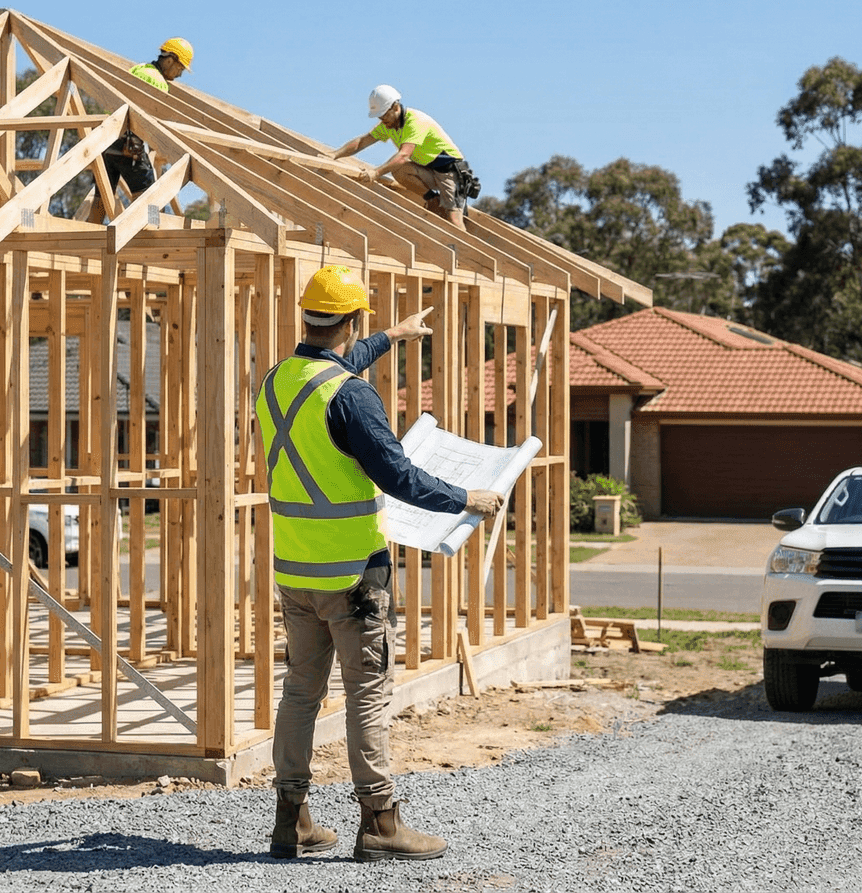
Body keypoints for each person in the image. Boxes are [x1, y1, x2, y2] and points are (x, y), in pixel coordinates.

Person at [257, 265, 503, 862]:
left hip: (295, 571)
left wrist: (392, 337)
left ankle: (291, 821)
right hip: (352, 577)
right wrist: (468, 498)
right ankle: (381, 823)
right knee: (368, 695)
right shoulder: (353, 396)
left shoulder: (277, 380)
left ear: (308, 316)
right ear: (352, 319)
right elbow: (397, 476)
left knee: (299, 693)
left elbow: (334, 369)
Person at [332, 85, 477, 231]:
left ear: (395, 108)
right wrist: (334, 155)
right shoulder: (389, 125)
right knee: (400, 169)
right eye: (380, 117)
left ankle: (466, 252)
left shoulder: (415, 121)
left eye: (384, 115)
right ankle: (432, 200)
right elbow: (362, 142)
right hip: (429, 170)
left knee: (454, 220)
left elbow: (404, 155)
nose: (383, 121)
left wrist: (376, 173)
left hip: (450, 171)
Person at [86, 38, 193, 224]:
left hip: (107, 140)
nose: (180, 74)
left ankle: (85, 243)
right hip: (129, 142)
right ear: (170, 60)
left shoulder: (139, 69)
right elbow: (151, 122)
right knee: (149, 196)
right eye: (180, 68)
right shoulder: (158, 82)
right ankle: (143, 238)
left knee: (101, 197)